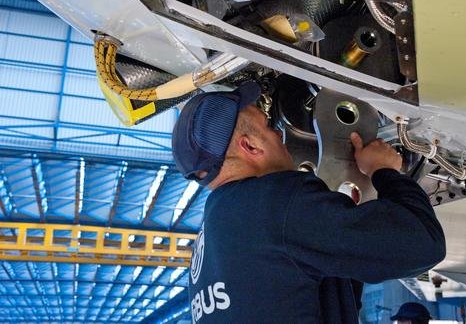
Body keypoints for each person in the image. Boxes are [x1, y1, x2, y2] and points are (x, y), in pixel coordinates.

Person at [172, 82, 446, 324]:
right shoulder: (270, 202)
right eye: (269, 126)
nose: (279, 134)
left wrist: (343, 224)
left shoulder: (215, 236)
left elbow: (328, 297)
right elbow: (423, 244)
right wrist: (385, 171)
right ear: (251, 147)